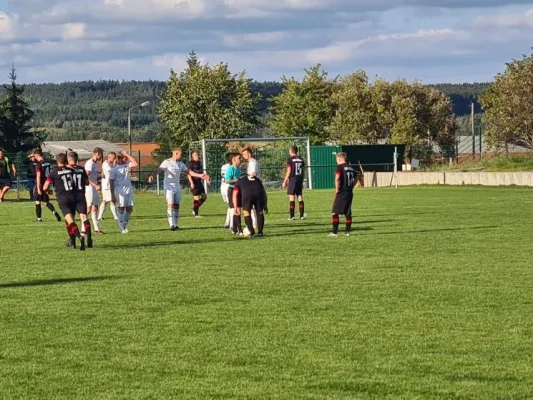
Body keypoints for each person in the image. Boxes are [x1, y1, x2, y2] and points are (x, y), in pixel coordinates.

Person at [148, 147, 210, 231]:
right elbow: (159, 169)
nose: (181, 156)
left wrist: (200, 175)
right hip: (168, 186)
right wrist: (153, 175)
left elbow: (189, 172)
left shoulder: (180, 163)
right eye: (180, 154)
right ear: (176, 153)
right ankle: (171, 225)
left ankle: (176, 224)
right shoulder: (167, 162)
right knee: (170, 204)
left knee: (176, 205)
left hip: (177, 186)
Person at [43, 153, 88, 251]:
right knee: (71, 220)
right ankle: (73, 241)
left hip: (63, 199)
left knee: (69, 221)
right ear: (66, 161)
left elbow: (45, 186)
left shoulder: (53, 172)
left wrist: (48, 191)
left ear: (56, 161)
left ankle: (78, 237)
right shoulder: (72, 170)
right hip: (74, 197)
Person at [67, 151, 92, 248]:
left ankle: (73, 241)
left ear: (69, 159)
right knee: (84, 217)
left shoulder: (66, 169)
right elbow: (87, 182)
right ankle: (89, 238)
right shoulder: (81, 169)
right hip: (81, 196)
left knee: (70, 219)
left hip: (70, 196)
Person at [329, 152, 358, 237]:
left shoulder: (340, 167)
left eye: (336, 160)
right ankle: (347, 232)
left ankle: (335, 232)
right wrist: (352, 186)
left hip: (342, 191)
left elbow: (337, 179)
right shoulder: (350, 167)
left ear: (340, 158)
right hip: (349, 192)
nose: (336, 161)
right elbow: (356, 177)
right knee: (348, 212)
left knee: (334, 212)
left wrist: (337, 190)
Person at [110, 151, 138, 233]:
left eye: (122, 157)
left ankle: (124, 225)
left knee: (129, 208)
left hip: (128, 189)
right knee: (121, 208)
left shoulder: (126, 165)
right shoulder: (114, 169)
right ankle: (122, 228)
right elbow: (111, 182)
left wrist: (127, 154)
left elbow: (135, 164)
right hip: (119, 190)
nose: (121, 159)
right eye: (118, 158)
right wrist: (112, 195)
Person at [32, 149, 62, 222]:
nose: (34, 158)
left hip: (41, 184)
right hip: (47, 183)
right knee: (46, 202)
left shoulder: (38, 164)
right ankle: (54, 211)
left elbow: (38, 176)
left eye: (35, 156)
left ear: (37, 155)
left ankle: (39, 219)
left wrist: (38, 188)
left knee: (37, 201)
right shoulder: (47, 162)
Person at [282, 146, 306, 220]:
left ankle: (292, 216)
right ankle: (302, 216)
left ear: (291, 151)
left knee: (291, 197)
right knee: (299, 197)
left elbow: (289, 171)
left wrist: (285, 180)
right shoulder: (301, 160)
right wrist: (302, 179)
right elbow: (303, 171)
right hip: (299, 178)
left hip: (293, 179)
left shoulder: (290, 160)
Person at [84, 147, 104, 234]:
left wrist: (100, 176)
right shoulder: (89, 163)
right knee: (88, 208)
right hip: (89, 188)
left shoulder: (95, 164)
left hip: (94, 189)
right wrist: (95, 185)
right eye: (101, 155)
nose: (101, 157)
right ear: (97, 154)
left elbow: (93, 176)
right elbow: (86, 177)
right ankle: (83, 229)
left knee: (95, 208)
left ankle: (96, 229)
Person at [97, 152, 118, 222]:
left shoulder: (110, 164)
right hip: (106, 185)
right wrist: (114, 165)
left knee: (106, 201)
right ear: (109, 157)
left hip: (110, 185)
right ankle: (115, 216)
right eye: (114, 158)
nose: (115, 159)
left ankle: (100, 216)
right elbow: (111, 171)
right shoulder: (105, 164)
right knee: (110, 200)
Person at [225, 152, 242, 235]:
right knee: (234, 210)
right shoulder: (230, 169)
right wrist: (237, 180)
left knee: (238, 209)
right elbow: (227, 180)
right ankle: (236, 228)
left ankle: (235, 229)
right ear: (234, 159)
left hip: (238, 190)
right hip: (231, 190)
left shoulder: (238, 168)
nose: (240, 160)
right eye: (239, 158)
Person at [187, 150, 207, 217]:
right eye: (195, 155)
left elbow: (201, 173)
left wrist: (206, 178)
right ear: (192, 156)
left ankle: (194, 208)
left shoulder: (199, 163)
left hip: (199, 182)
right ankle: (196, 214)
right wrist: (192, 183)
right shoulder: (190, 163)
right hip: (193, 182)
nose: (197, 156)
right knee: (196, 198)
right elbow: (188, 174)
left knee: (204, 197)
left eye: (198, 155)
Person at [220, 153, 232, 229]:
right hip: (228, 187)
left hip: (223, 187)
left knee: (230, 205)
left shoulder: (223, 166)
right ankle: (228, 223)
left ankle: (228, 222)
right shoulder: (231, 167)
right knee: (231, 206)